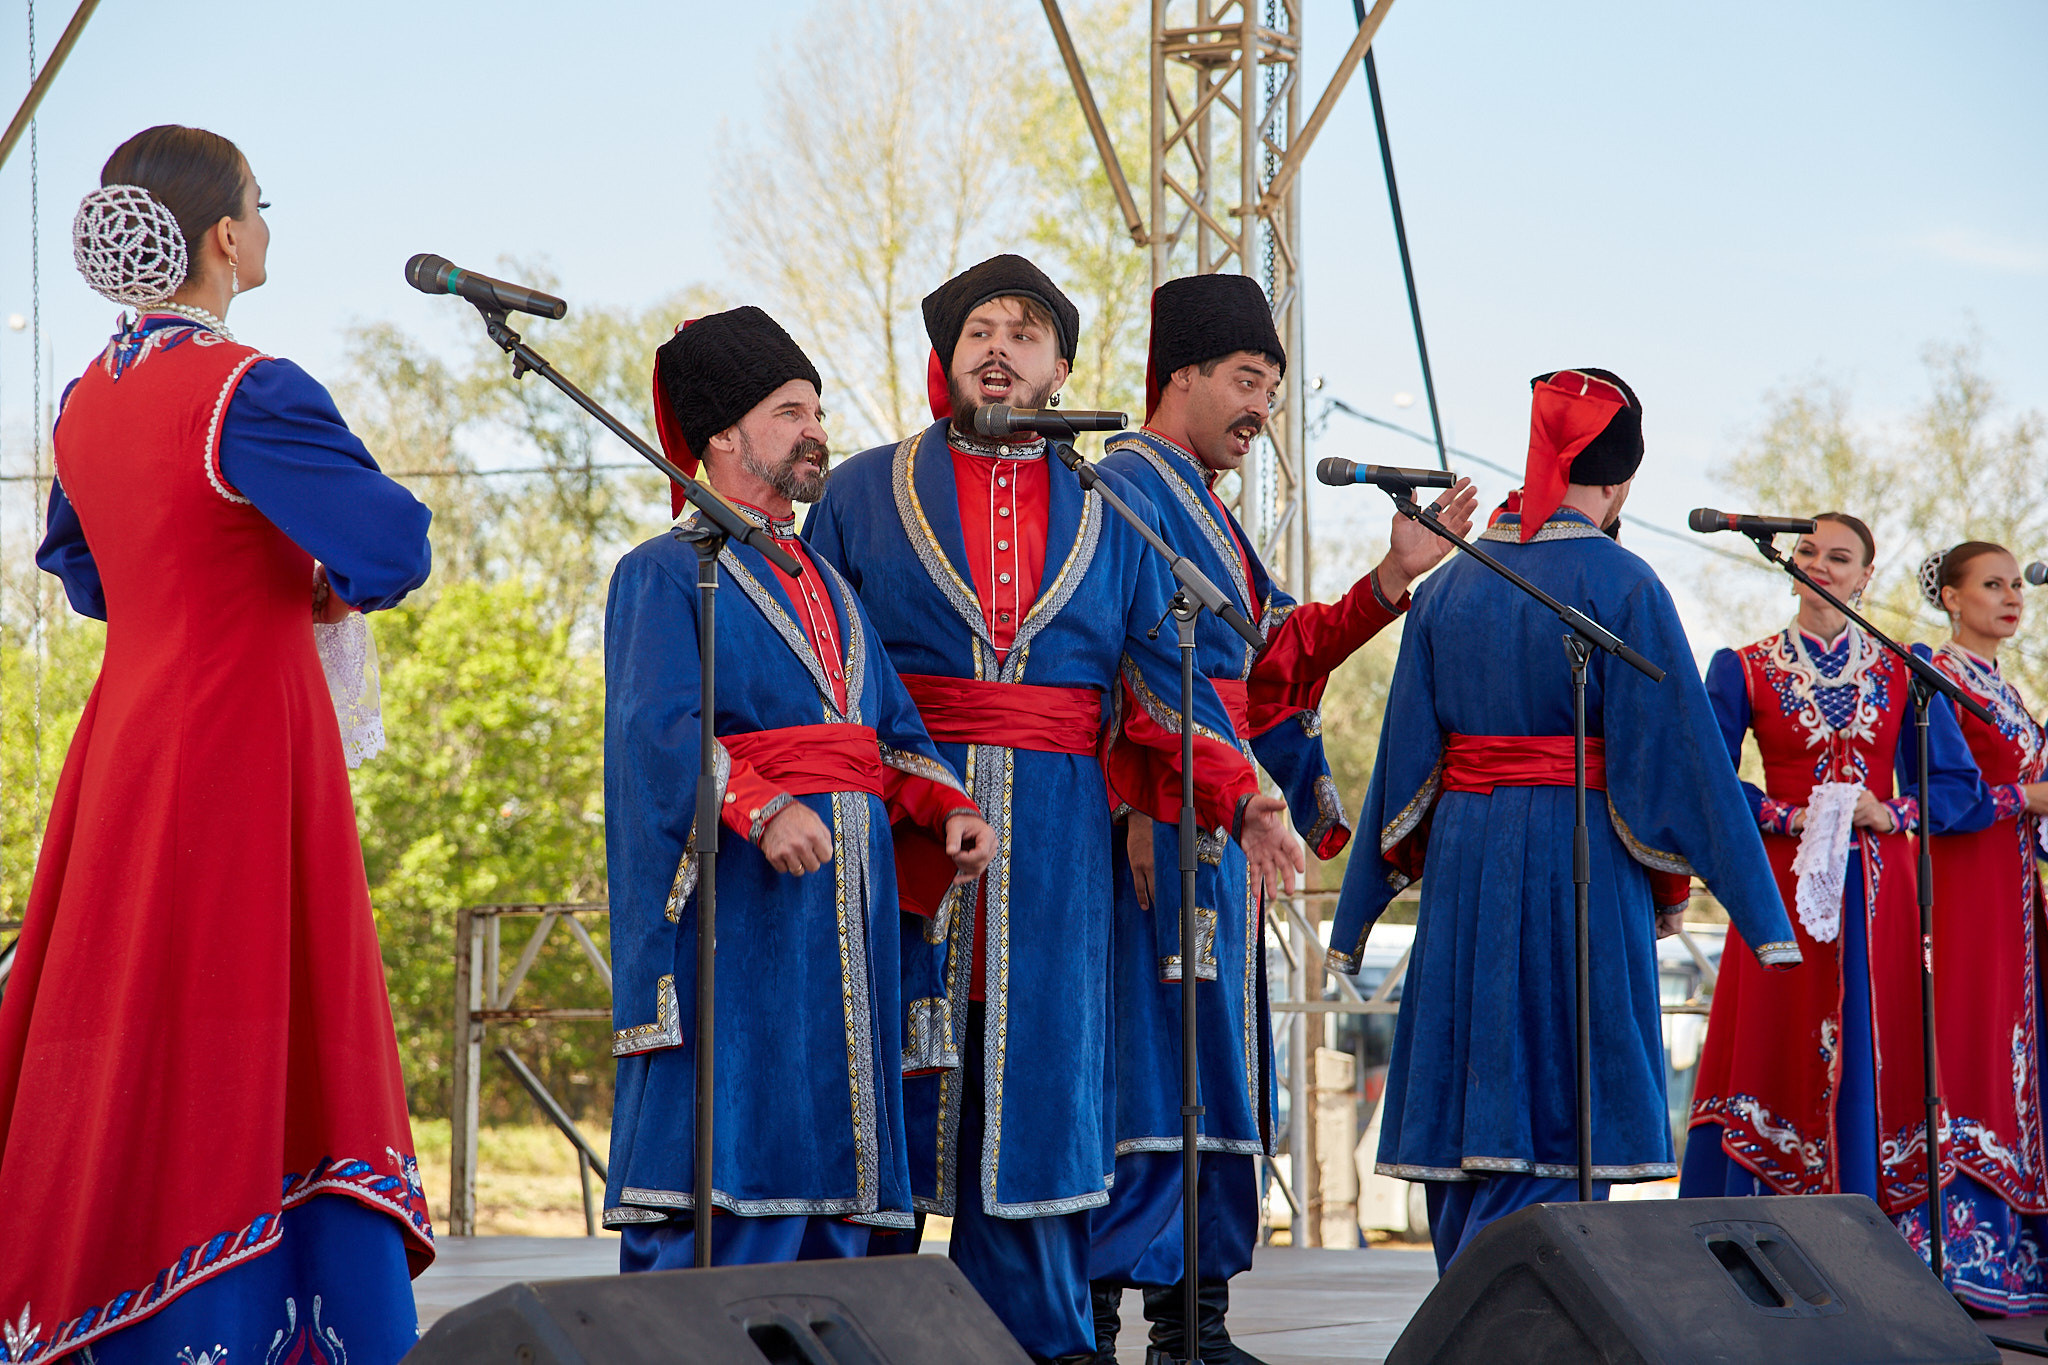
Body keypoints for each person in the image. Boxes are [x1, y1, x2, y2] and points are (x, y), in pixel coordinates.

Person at [805, 254, 1299, 1363]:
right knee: (889, 1075)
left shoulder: (1105, 506)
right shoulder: (859, 491)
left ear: (1060, 369)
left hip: (1058, 842)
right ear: (947, 356)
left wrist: (1248, 795)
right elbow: (821, 662)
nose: (999, 348)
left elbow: (1157, 689)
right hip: (900, 834)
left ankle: (1044, 1336)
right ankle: (856, 1331)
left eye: (1024, 336)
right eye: (979, 328)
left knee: (1035, 1089)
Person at [0, 126, 435, 1362]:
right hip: (240, 741)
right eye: (259, 203)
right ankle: (253, 1320)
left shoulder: (86, 396)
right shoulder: (250, 388)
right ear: (225, 238)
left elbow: (82, 573)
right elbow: (391, 546)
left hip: (129, 739)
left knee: (132, 1003)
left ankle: (119, 1305)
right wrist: (307, 588)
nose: (264, 223)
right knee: (244, 1005)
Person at [1330, 368, 1801, 1272]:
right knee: (1563, 1095)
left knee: (1471, 1092)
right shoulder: (1624, 582)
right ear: (1621, 485)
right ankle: (1533, 1320)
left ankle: (1463, 1312)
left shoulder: (1449, 588)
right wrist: (1754, 908)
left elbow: (1403, 760)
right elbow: (1681, 762)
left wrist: (1361, 908)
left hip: (1468, 859)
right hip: (1575, 857)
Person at [1085, 273, 1475, 1364]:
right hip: (1162, 817)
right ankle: (1121, 1331)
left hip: (1214, 817)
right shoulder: (1125, 488)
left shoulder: (1201, 504)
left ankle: (1191, 1328)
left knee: (1213, 1065)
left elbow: (1262, 669)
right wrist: (1235, 791)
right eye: (1247, 380)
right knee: (1159, 1069)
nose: (1262, 408)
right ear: (1181, 375)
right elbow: (1138, 667)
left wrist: (1387, 584)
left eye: (1270, 384)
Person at [603, 306, 994, 1267]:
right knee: (742, 1157)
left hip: (850, 920)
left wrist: (946, 805)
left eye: (816, 407)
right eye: (791, 410)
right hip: (749, 919)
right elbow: (658, 733)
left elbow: (889, 734)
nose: (817, 428)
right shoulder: (662, 572)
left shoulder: (830, 581)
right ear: (725, 436)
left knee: (843, 1162)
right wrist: (761, 805)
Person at [1680, 514, 1987, 1248]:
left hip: (1883, 892)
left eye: (1839, 556)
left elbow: (1958, 788)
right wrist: (1786, 813)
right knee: (1779, 1038)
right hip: (1784, 888)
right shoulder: (1743, 666)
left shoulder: (1904, 666)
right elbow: (1704, 777)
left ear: (1864, 577)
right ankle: (1761, 1238)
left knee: (1880, 1047)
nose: (1819, 564)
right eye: (1808, 552)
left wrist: (1893, 810)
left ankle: (1883, 1248)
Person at [1908, 542, 2048, 1311]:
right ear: (1953, 599)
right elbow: (1944, 795)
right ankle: (1954, 1241)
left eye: (2013, 584)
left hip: (2015, 888)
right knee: (1969, 1038)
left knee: (2016, 1048)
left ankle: (2012, 1253)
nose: (2010, 596)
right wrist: (2024, 799)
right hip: (1963, 890)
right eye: (1990, 584)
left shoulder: (2011, 691)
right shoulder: (1934, 676)